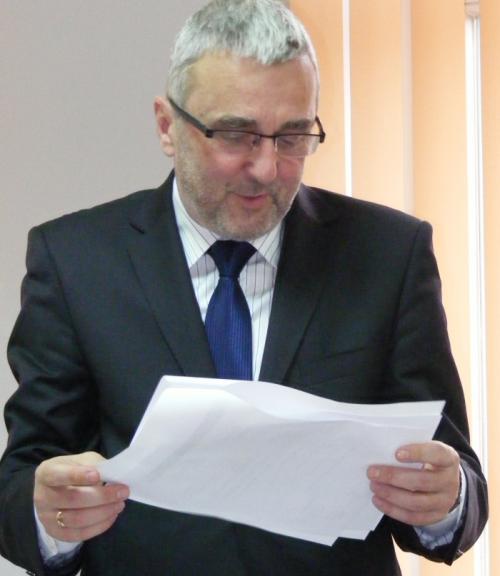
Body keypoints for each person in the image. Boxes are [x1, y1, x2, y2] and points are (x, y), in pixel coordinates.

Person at [0, 0, 488, 574]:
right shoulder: (76, 262)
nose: (267, 168)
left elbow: (456, 476)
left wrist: (446, 499)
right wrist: (48, 513)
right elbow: (24, 481)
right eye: (236, 135)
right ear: (167, 126)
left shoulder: (388, 254)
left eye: (293, 136)